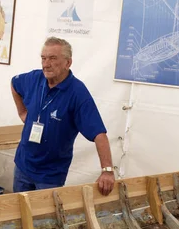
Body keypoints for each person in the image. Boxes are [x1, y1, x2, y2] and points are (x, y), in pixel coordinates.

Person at [11, 37, 115, 196]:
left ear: (68, 63)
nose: (46, 64)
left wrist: (107, 171)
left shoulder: (78, 93)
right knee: (18, 214)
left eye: (53, 58)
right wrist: (22, 112)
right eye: (43, 58)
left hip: (50, 175)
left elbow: (99, 134)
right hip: (23, 165)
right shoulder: (34, 78)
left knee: (44, 218)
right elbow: (14, 84)